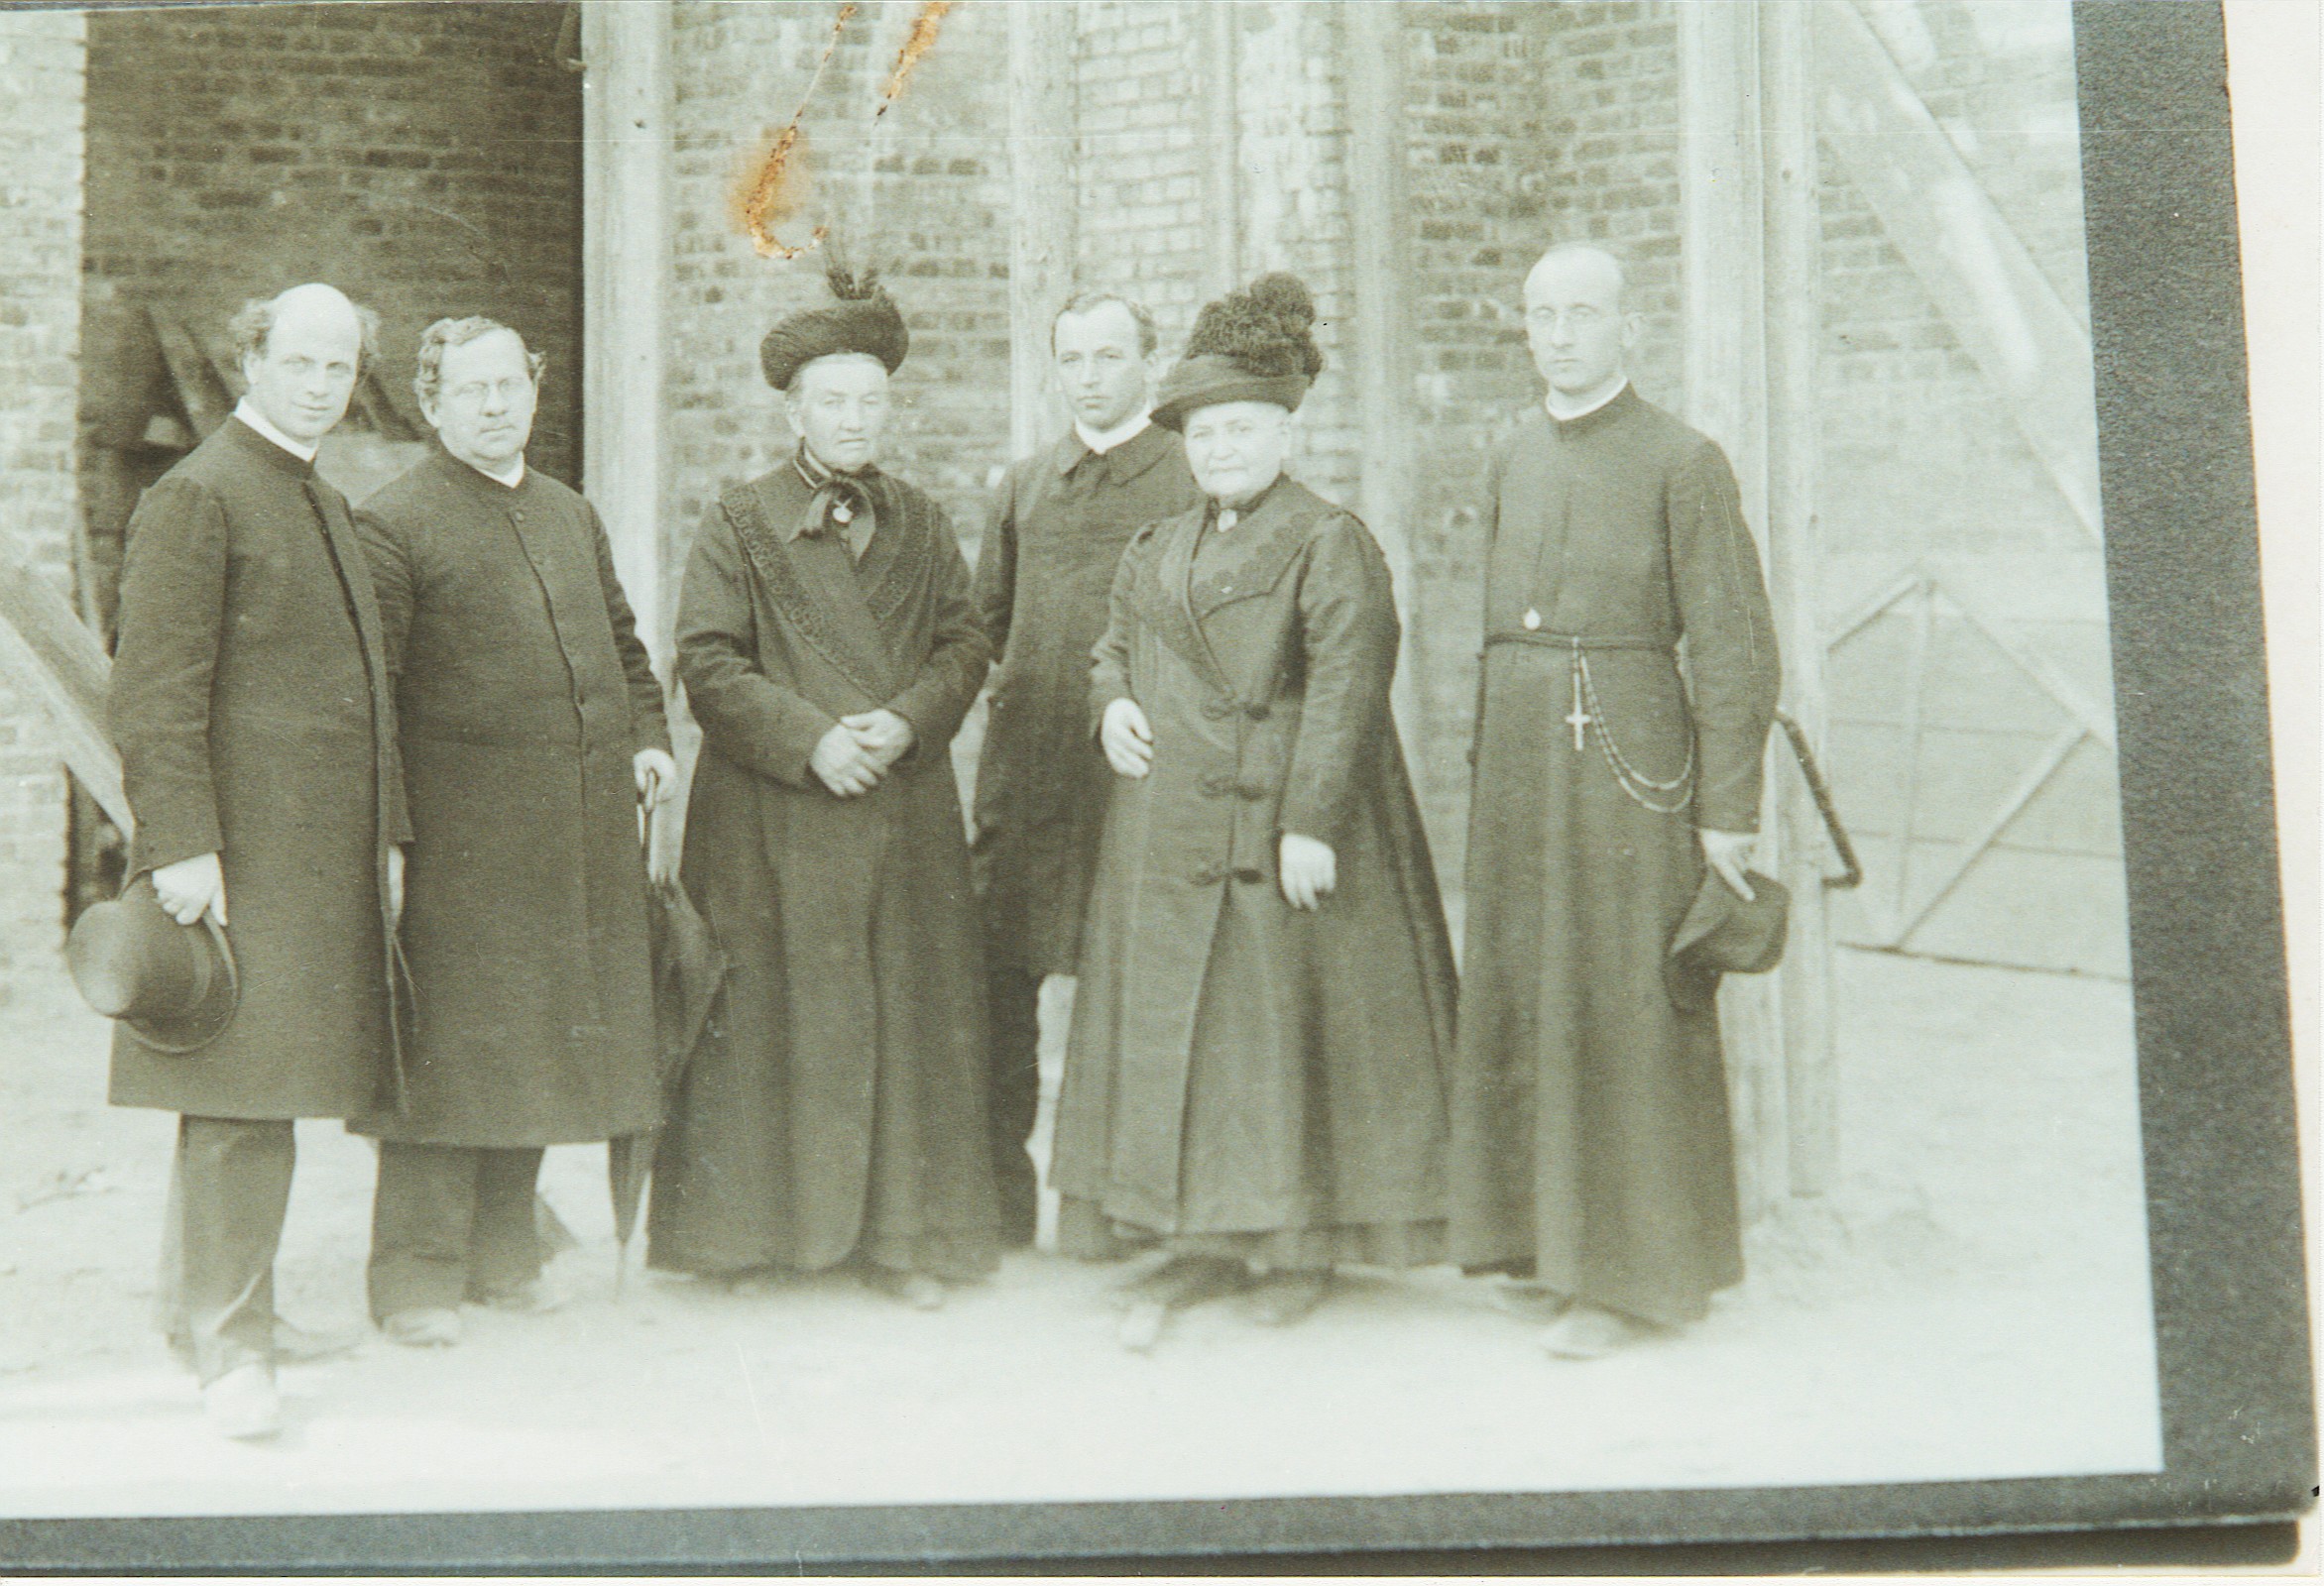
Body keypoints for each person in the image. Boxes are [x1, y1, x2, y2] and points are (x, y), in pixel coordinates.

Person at [1050, 274, 1459, 1349]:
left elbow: (1349, 690)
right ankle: (1199, 1236)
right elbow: (1111, 645)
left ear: (1283, 433)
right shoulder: (1157, 545)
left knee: (1276, 1034)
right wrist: (1111, 702)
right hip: (1168, 837)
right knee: (1193, 1037)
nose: (1221, 449)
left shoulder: (1329, 541)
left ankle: (1294, 1244)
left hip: (1278, 828)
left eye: (1241, 429)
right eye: (1204, 434)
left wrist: (1309, 823)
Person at [1449, 243, 1781, 1359]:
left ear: (1627, 328)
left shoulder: (1683, 461)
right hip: (1520, 763)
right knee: (1529, 988)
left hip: (1631, 763)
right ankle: (1544, 1248)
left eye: (1582, 313)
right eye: (1541, 314)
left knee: (1627, 1002)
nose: (1559, 335)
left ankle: (1636, 1281)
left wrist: (1727, 808)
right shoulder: (1509, 452)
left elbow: (1734, 646)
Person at [646, 265, 999, 1308]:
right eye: (832, 402)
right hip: (772, 817)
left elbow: (965, 642)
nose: (852, 420)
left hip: (899, 805)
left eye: (869, 402)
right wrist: (810, 742)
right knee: (767, 1022)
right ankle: (753, 1241)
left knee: (905, 1015)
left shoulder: (923, 521)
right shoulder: (738, 521)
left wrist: (910, 718)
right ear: (794, 411)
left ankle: (904, 1240)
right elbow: (707, 659)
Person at [106, 283, 409, 1439]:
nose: (321, 386)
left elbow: (363, 694)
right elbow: (154, 693)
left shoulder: (315, 493)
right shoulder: (202, 493)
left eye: (340, 367)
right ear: (252, 361)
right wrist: (182, 845)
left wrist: (385, 836)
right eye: (300, 363)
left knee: (249, 1093)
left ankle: (204, 1318)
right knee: (238, 1098)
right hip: (234, 859)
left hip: (309, 862)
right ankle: (234, 1352)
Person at [351, 316, 676, 1347]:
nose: (495, 406)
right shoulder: (393, 523)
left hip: (574, 837)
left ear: (534, 392)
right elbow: (372, 699)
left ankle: (502, 1258)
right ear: (433, 403)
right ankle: (413, 1279)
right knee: (448, 1055)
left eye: (510, 386)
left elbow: (623, 648)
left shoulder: (568, 512)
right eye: (471, 390)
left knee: (536, 1044)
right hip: (461, 847)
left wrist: (649, 737)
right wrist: (390, 837)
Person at [969, 290, 1203, 1246]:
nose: (1090, 377)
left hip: (1139, 770)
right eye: (1072, 359)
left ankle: (1124, 1209)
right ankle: (996, 1199)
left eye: (1110, 356)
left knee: (1136, 983)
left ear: (1149, 361)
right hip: (1029, 774)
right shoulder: (1025, 486)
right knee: (1000, 980)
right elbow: (983, 628)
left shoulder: (1187, 475)